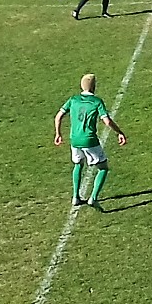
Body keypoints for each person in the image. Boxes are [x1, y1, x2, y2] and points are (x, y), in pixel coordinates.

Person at [53, 73, 128, 208]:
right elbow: (107, 121)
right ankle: (93, 198)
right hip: (89, 140)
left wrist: (58, 134)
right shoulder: (97, 102)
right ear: (94, 86)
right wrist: (119, 132)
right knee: (103, 168)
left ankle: (75, 197)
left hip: (74, 140)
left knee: (78, 164)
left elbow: (58, 116)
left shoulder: (73, 99)